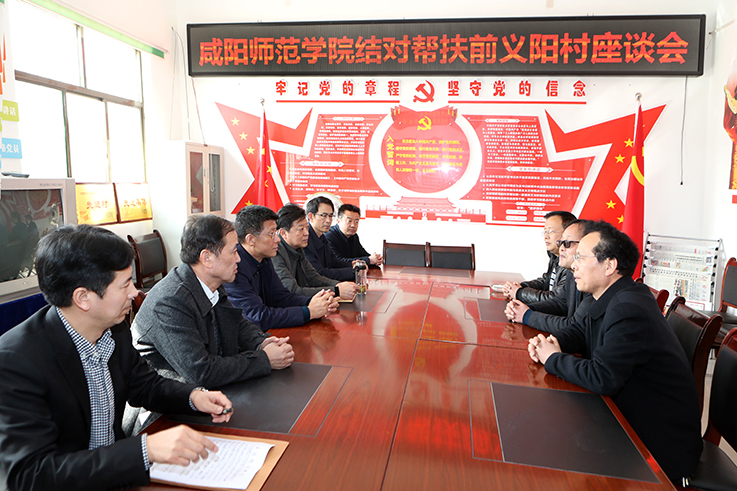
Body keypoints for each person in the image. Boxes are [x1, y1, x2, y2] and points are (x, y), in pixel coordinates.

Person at [0, 224, 234, 491]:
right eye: (125, 285)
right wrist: (143, 450)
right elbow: (30, 475)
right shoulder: (17, 361)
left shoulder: (114, 328)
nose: (135, 293)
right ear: (83, 298)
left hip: (116, 476)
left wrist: (193, 397)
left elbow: (144, 385)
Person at [527, 221, 702, 482]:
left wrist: (552, 357)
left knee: (548, 451)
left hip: (656, 446)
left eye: (581, 258)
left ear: (609, 266)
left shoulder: (629, 307)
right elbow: (579, 332)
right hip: (626, 420)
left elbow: (602, 377)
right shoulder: (611, 296)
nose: (573, 265)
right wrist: (550, 342)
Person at [132, 215, 294, 387]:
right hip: (170, 397)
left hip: (206, 390)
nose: (238, 258)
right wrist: (264, 359)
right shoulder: (171, 301)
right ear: (207, 258)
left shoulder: (210, 282)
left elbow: (237, 325)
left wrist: (262, 342)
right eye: (234, 251)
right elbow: (200, 371)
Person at [224, 205, 338, 331]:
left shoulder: (264, 258)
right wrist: (309, 312)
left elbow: (281, 297)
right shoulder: (234, 267)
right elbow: (258, 317)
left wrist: (315, 302)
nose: (277, 239)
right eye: (271, 234)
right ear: (251, 239)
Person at [505, 219, 592, 333]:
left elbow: (575, 326)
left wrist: (526, 315)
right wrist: (526, 308)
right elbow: (560, 303)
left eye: (567, 243)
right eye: (560, 243)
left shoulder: (593, 281)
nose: (561, 248)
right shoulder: (571, 273)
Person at [273, 203, 358, 299]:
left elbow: (313, 277)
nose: (306, 233)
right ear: (283, 233)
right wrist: (336, 291)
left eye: (307, 227)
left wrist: (338, 285)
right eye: (301, 229)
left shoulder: (298, 248)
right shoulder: (275, 253)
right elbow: (292, 291)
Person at [503, 210, 576, 303]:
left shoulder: (571, 263)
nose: (546, 236)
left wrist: (519, 293)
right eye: (545, 231)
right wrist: (520, 287)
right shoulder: (555, 256)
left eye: (551, 231)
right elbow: (546, 282)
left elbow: (555, 299)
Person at [304, 196, 355, 281]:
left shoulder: (322, 237)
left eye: (330, 216)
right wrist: (353, 272)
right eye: (324, 215)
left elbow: (333, 261)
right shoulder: (305, 239)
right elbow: (320, 273)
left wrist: (352, 265)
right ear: (311, 216)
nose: (328, 220)